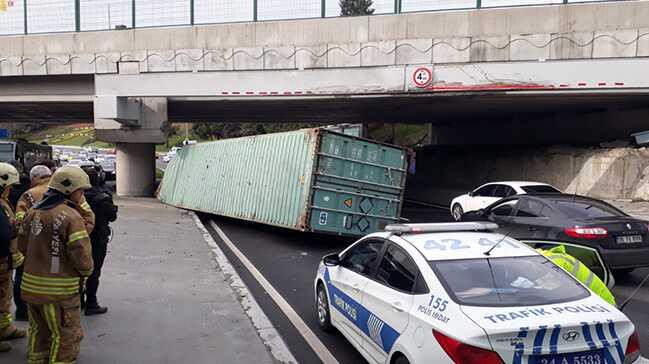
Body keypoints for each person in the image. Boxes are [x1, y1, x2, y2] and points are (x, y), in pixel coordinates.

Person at [19, 165, 94, 364]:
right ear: (70, 190)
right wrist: (86, 272)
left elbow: (21, 245)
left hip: (30, 288)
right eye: (81, 190)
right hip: (59, 292)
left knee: (38, 333)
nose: (82, 194)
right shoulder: (71, 217)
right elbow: (81, 255)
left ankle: (36, 360)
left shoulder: (33, 212)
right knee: (65, 335)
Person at [80, 166, 117, 315]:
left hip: (78, 236)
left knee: (78, 269)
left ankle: (79, 301)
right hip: (98, 239)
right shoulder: (103, 197)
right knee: (94, 271)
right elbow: (112, 217)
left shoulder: (76, 196)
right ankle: (91, 303)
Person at [0, 163, 26, 347]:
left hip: (4, 260)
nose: (10, 191)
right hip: (1, 258)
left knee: (4, 297)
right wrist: (13, 230)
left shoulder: (3, 202)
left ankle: (4, 328)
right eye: (8, 187)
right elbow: (3, 234)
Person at [537, 245, 616, 306]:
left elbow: (550, 291)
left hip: (602, 305)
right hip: (595, 301)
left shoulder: (553, 263)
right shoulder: (547, 258)